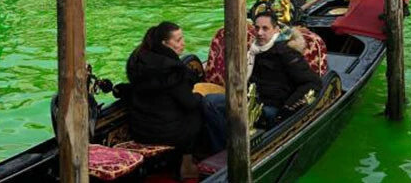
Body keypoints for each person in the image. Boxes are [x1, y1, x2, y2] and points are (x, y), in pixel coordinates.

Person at [202, 11, 321, 151]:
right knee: (208, 101)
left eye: (265, 28)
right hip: (250, 99)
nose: (259, 33)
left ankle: (230, 148)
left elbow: (313, 83)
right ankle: (224, 147)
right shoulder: (254, 51)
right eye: (256, 28)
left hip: (272, 108)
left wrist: (287, 109)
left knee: (213, 104)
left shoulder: (286, 53)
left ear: (276, 30)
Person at [125, 22, 203, 154]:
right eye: (178, 40)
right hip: (165, 134)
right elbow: (190, 103)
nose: (183, 43)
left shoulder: (138, 62)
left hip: (139, 130)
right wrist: (200, 95)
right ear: (164, 44)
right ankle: (189, 159)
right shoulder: (172, 70)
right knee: (199, 114)